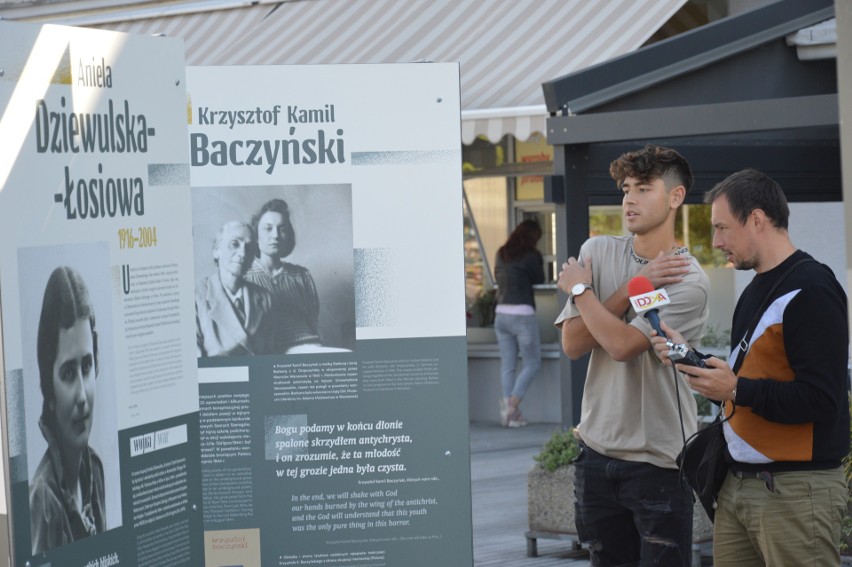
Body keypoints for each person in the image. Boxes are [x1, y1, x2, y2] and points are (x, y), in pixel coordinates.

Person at [652, 169, 849, 567]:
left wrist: (737, 391)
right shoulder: (756, 286)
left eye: (722, 228)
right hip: (738, 485)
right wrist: (688, 356)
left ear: (757, 219)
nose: (716, 242)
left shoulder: (812, 289)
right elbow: (751, 374)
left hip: (795, 489)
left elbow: (824, 398)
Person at [554, 144, 710, 566]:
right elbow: (573, 344)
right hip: (595, 455)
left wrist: (581, 291)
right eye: (625, 188)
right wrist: (628, 287)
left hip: (657, 462)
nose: (629, 199)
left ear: (675, 197)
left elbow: (621, 347)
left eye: (644, 188)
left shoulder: (686, 279)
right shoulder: (597, 252)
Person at [30, 266, 105, 554]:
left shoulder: (94, 470)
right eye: (68, 373)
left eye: (86, 367)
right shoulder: (42, 502)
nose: (82, 396)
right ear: (49, 390)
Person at [244, 198, 324, 353]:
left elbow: (313, 320)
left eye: (282, 229)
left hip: (310, 346)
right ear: (256, 236)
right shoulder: (245, 276)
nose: (276, 236)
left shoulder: (302, 275)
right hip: (270, 352)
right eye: (268, 229)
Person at [196, 220, 282, 357]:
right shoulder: (195, 296)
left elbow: (271, 356)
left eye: (249, 248)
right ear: (216, 251)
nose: (243, 253)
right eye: (235, 244)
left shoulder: (265, 298)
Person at [493, 219, 545, 427]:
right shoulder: (532, 256)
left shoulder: (502, 252)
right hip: (522, 314)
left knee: (508, 365)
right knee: (532, 363)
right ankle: (512, 406)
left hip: (501, 314)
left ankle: (510, 413)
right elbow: (540, 278)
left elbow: (498, 276)